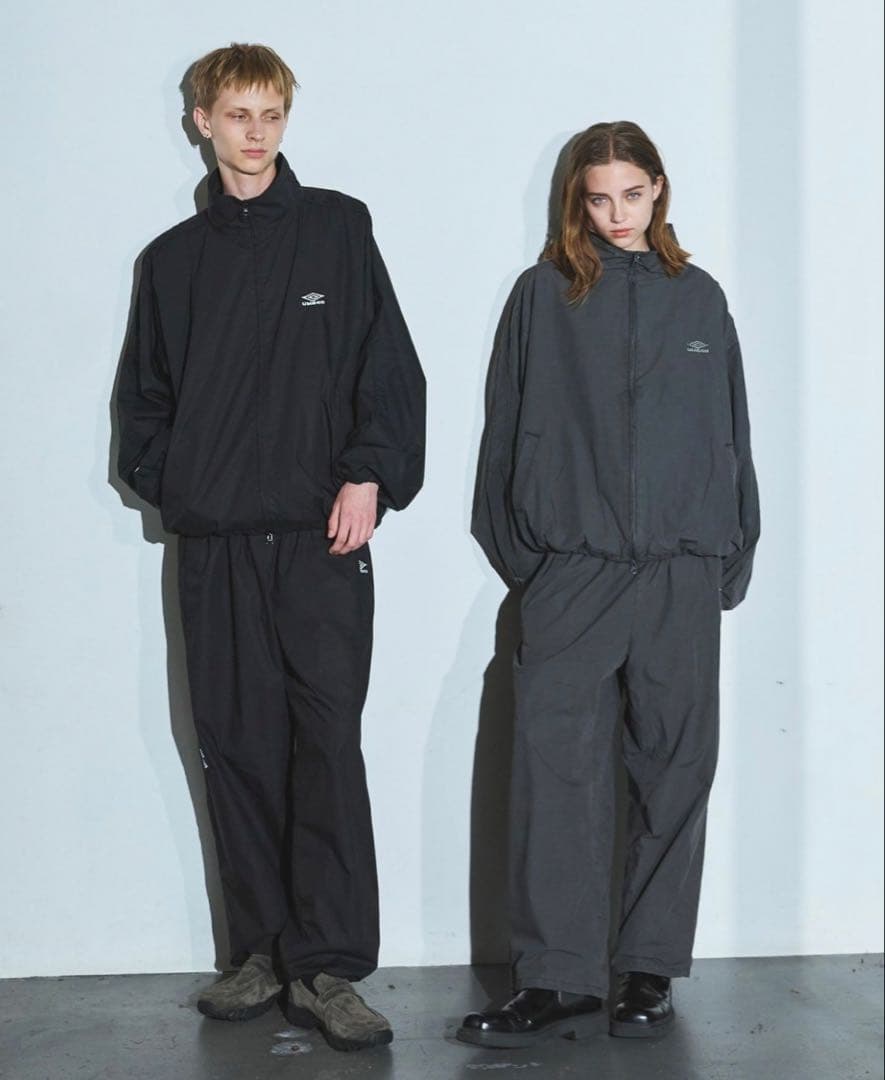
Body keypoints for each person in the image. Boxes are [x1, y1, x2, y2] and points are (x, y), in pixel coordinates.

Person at [116, 43, 425, 1053]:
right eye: (238, 114)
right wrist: (189, 491)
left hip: (319, 541)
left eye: (271, 114)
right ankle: (258, 952)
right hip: (216, 551)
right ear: (201, 121)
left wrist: (368, 474)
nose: (255, 133)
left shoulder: (338, 229)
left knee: (324, 747)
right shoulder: (171, 263)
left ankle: (327, 967)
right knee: (236, 744)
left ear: (285, 121)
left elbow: (389, 369)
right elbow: (143, 409)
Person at [461, 121, 759, 1047]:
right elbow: (504, 431)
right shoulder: (542, 295)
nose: (617, 214)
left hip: (678, 569)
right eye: (599, 199)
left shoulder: (698, 298)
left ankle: (647, 971)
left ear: (658, 190)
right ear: (576, 202)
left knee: (674, 772)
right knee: (554, 777)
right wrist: (535, 562)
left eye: (632, 194)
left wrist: (726, 551)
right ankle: (555, 978)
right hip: (574, 570)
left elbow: (732, 431)